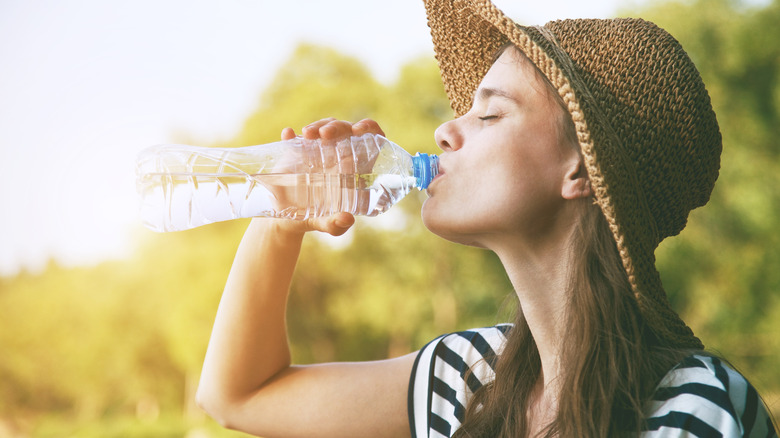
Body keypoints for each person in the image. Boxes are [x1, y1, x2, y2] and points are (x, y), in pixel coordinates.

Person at [196, 0, 778, 436]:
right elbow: (240, 395)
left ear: (580, 170)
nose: (445, 131)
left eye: (491, 115)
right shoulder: (468, 379)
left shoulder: (695, 408)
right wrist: (281, 218)